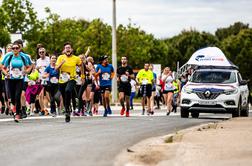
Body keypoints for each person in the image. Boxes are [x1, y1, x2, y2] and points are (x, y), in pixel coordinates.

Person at [1, 41, 31, 122]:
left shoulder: (23, 57)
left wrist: (26, 71)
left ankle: (17, 114)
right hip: (10, 79)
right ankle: (14, 108)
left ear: (19, 49)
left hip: (20, 79)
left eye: (16, 48)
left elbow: (29, 66)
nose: (14, 49)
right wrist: (6, 73)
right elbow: (2, 67)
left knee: (18, 96)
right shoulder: (9, 57)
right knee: (12, 97)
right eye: (13, 48)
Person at [56, 42, 83, 122]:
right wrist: (61, 63)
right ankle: (67, 110)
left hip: (72, 78)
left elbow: (81, 65)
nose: (68, 49)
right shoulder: (61, 57)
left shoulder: (76, 58)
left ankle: (68, 110)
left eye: (69, 47)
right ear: (64, 50)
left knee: (68, 90)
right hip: (62, 80)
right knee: (64, 97)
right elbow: (56, 68)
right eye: (66, 48)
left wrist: (82, 76)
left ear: (71, 49)